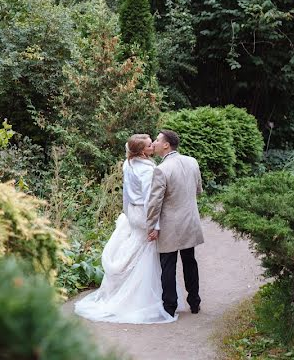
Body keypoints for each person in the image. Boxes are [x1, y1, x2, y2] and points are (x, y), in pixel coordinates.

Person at [74, 134, 176, 324]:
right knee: (146, 254)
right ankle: (140, 297)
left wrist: (128, 214)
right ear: (142, 151)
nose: (153, 145)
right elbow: (149, 199)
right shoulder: (146, 170)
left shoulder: (128, 164)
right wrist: (155, 225)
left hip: (134, 213)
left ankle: (118, 286)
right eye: (149, 145)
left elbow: (126, 194)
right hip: (145, 215)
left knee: (134, 248)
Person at [145, 129, 204, 317]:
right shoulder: (192, 161)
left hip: (171, 226)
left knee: (168, 266)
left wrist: (151, 226)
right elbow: (199, 190)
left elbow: (155, 203)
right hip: (191, 221)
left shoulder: (161, 169)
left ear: (166, 145)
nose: (154, 142)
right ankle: (195, 303)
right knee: (190, 262)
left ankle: (169, 308)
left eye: (157, 139)